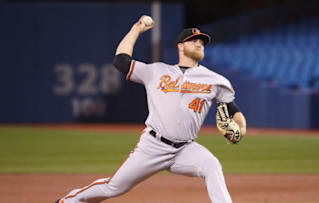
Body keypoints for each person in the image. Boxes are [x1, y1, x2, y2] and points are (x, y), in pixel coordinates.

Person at [55, 15, 247, 203]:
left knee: (211, 165)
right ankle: (70, 201)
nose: (199, 44)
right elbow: (121, 61)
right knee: (114, 187)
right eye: (193, 40)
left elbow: (232, 110)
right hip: (153, 146)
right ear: (180, 46)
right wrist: (136, 29)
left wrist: (240, 128)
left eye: (201, 42)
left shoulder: (216, 81)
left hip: (185, 148)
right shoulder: (156, 71)